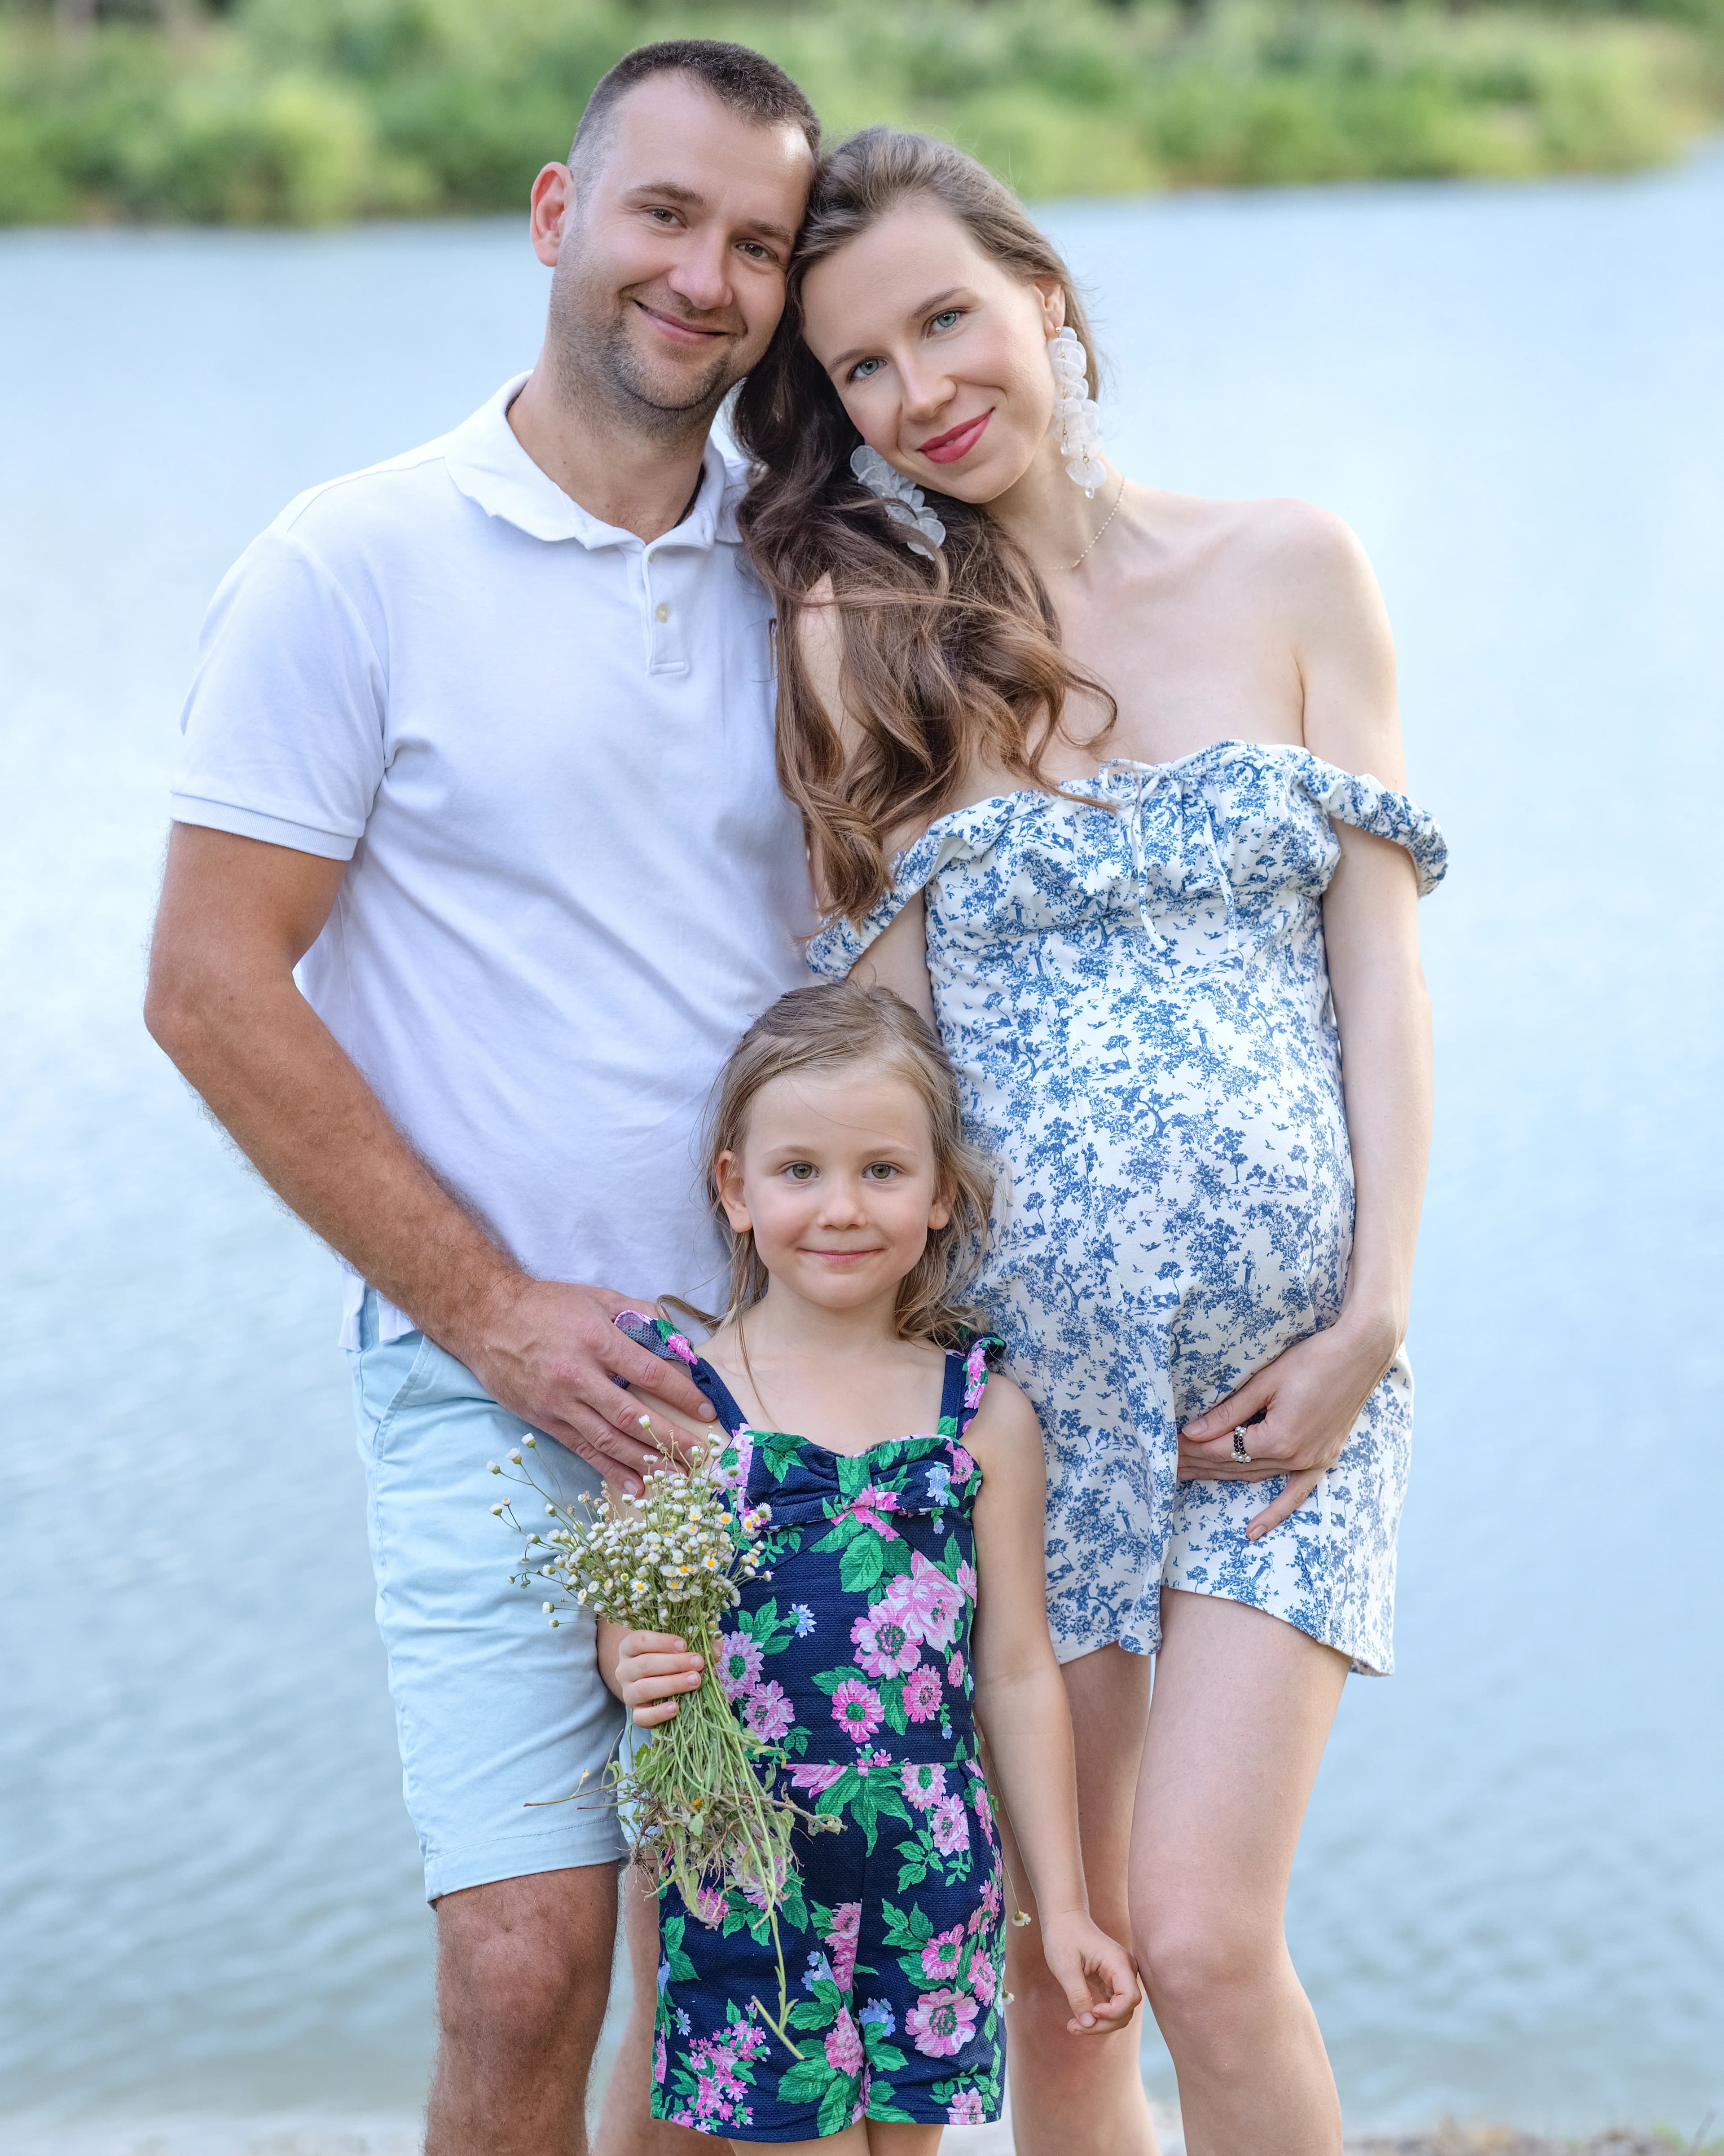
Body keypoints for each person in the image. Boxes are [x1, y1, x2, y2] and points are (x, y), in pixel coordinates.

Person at [731, 129, 1448, 2156]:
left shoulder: (1294, 568)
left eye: (947, 319)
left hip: (1288, 1397)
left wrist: (1376, 1314)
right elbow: (881, 1056)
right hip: (1030, 1413)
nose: (921, 390)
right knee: (1074, 1977)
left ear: (1042, 294)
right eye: (861, 369)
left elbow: (1384, 979)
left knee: (1204, 1941)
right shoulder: (870, 635)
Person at [143, 42, 823, 2156]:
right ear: (556, 213)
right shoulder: (351, 561)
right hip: (491, 1371)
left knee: (740, 1977)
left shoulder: (815, 572)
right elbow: (206, 983)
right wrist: (495, 1313)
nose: (703, 277)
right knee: (523, 1965)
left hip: (783, 1372)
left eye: (758, 245)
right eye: (665, 213)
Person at [601, 980, 1138, 2151]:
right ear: (736, 1189)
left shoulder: (982, 1416)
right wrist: (629, 1659)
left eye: (883, 1170)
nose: (841, 1208)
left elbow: (1015, 1671)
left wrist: (1063, 1908)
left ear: (941, 1192)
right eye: (799, 1170)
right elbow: (633, 1612)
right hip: (747, 1860)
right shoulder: (678, 1401)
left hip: (932, 1866)